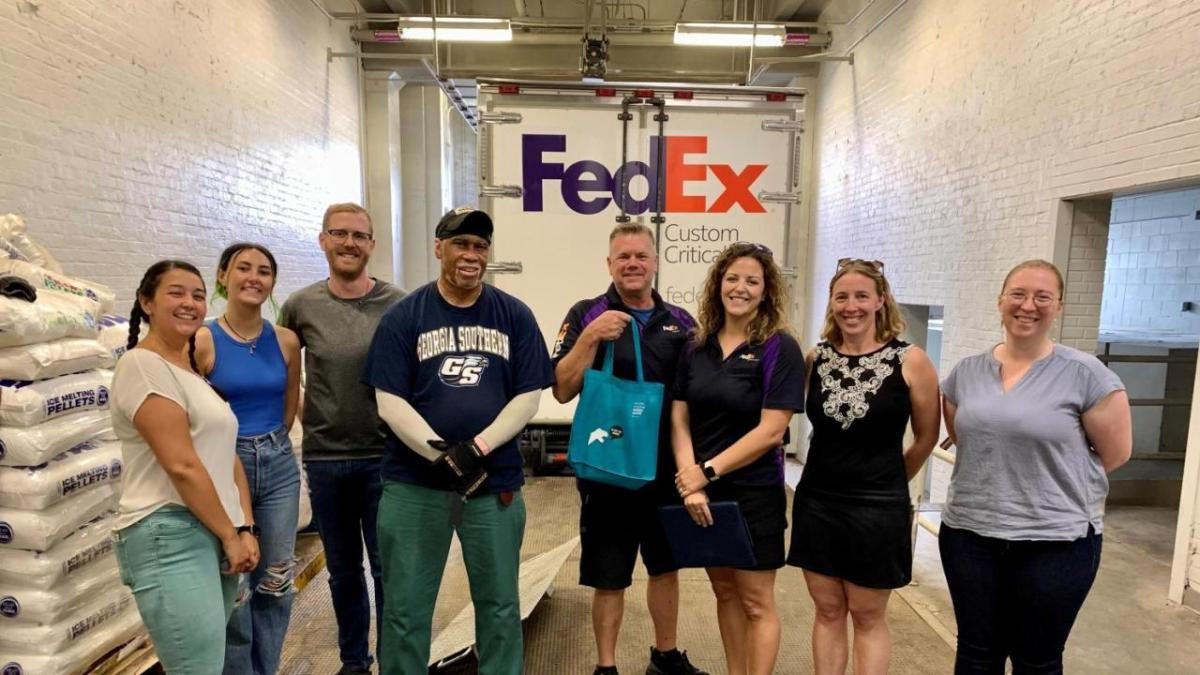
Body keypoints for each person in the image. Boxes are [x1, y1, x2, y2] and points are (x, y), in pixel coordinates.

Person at [365, 206, 553, 675]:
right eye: (460, 244)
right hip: (413, 484)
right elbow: (389, 400)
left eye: (480, 246)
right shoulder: (404, 317)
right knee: (406, 611)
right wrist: (439, 451)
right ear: (439, 248)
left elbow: (528, 397)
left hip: (494, 484)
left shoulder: (514, 315)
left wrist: (476, 449)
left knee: (500, 606)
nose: (471, 254)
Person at [940, 259, 1132, 674]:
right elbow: (965, 436)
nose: (1029, 305)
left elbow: (1115, 454)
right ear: (1001, 301)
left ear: (1058, 306)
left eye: (1043, 296)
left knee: (1037, 659)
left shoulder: (1086, 375)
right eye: (1019, 294)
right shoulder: (966, 373)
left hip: (1056, 541)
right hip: (970, 536)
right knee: (976, 653)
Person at [551, 223, 707, 675]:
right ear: (609, 264)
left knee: (665, 568)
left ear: (655, 262)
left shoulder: (682, 322)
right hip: (608, 472)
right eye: (623, 257)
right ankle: (606, 666)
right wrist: (590, 337)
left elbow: (693, 400)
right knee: (609, 574)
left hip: (665, 472)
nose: (632, 264)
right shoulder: (586, 312)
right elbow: (561, 389)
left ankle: (665, 655)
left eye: (641, 255)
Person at [786, 258, 940, 675]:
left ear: (880, 301)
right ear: (831, 303)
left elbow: (926, 437)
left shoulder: (912, 361)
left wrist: (889, 483)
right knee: (828, 610)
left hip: (877, 507)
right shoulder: (815, 359)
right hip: (818, 501)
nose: (850, 306)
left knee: (868, 616)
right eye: (842, 297)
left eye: (861, 296)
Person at [110, 260, 259, 674]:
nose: (190, 303)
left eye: (197, 295)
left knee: (209, 663)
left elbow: (225, 456)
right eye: (176, 293)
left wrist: (244, 527)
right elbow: (182, 465)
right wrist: (231, 533)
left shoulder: (189, 371)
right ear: (146, 302)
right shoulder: (141, 366)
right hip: (169, 531)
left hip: (212, 526)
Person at [278, 203, 405, 675]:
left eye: (359, 235)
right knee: (345, 572)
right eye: (339, 233)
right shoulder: (301, 305)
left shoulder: (398, 303)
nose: (349, 243)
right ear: (323, 240)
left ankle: (395, 659)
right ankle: (355, 661)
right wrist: (312, 416)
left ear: (372, 244)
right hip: (327, 460)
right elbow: (286, 372)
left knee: (388, 570)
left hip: (385, 458)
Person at [672, 242, 805, 675]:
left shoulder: (778, 348)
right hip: (702, 494)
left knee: (755, 602)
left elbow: (771, 431)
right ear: (718, 285)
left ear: (766, 291)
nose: (740, 288)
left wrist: (705, 473)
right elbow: (679, 415)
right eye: (732, 278)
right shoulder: (697, 346)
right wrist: (690, 479)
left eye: (752, 281)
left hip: (754, 494)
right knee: (725, 594)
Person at [191, 243, 302, 675]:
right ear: (223, 277)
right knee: (235, 582)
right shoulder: (202, 340)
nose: (254, 277)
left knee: (275, 582)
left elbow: (290, 405)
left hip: (277, 464)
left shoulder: (287, 341)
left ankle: (266, 669)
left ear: (273, 282)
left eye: (264, 271)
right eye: (243, 268)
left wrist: (270, 442)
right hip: (224, 467)